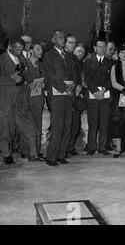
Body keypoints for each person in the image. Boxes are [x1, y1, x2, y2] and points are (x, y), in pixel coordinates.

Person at [42, 30, 81, 166]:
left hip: (69, 95)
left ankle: (61, 155)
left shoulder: (69, 56)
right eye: (59, 37)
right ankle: (51, 157)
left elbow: (76, 73)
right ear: (53, 40)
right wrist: (64, 87)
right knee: (58, 126)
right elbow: (50, 75)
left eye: (64, 37)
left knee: (67, 125)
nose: (63, 40)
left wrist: (73, 86)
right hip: (57, 95)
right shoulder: (48, 56)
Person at [0, 38, 40, 164]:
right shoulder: (2, 59)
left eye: (21, 49)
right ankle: (6, 154)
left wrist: (31, 82)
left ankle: (33, 154)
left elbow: (22, 78)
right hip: (6, 99)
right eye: (17, 49)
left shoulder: (21, 59)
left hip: (21, 98)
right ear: (10, 46)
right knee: (7, 127)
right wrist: (11, 78)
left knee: (29, 125)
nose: (19, 51)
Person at [83, 38, 114, 156]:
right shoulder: (88, 60)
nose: (102, 49)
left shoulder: (110, 62)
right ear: (95, 48)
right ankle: (91, 146)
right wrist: (95, 91)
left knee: (104, 122)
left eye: (104, 47)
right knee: (93, 122)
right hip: (93, 94)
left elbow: (111, 79)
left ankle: (102, 147)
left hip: (105, 94)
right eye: (100, 47)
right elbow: (87, 78)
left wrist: (104, 90)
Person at [24, 43, 46, 161]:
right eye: (38, 49)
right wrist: (28, 84)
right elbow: (17, 81)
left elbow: (45, 80)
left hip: (39, 98)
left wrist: (44, 84)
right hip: (27, 99)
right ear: (31, 50)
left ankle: (36, 151)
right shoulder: (22, 63)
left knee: (38, 124)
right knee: (30, 125)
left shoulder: (41, 65)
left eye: (42, 49)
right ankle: (29, 152)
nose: (41, 51)